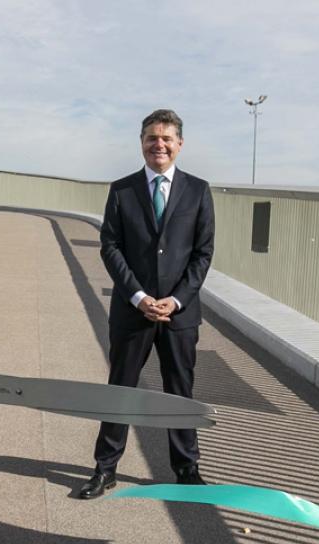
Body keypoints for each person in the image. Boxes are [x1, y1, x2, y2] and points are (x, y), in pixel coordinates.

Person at [76, 109, 215, 499]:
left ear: (180, 145)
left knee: (179, 392)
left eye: (167, 138)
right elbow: (110, 245)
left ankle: (186, 469)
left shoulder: (198, 191)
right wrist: (138, 296)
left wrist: (176, 299)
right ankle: (105, 469)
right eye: (152, 138)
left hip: (180, 314)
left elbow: (203, 254)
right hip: (132, 310)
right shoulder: (121, 190)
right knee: (120, 389)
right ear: (141, 143)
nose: (160, 144)